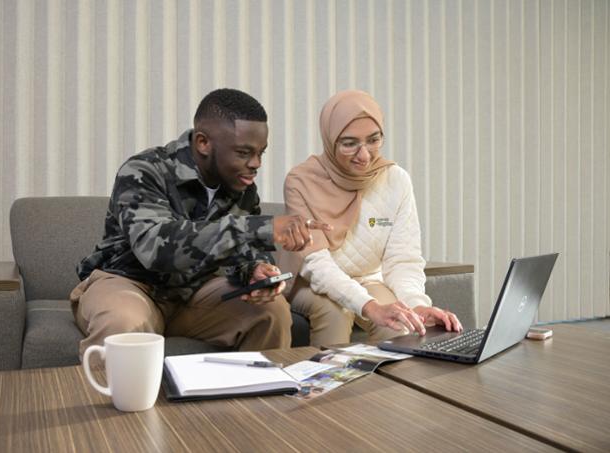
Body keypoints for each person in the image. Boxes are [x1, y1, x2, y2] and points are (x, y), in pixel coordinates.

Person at [71, 88, 330, 359]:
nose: (256, 164)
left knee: (271, 310)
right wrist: (260, 228)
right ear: (203, 142)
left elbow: (244, 256)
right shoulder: (145, 171)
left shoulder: (241, 188)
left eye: (260, 153)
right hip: (130, 283)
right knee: (122, 322)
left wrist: (256, 272)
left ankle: (254, 399)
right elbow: (156, 249)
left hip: (193, 294)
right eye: (244, 152)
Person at [279, 90, 462, 347]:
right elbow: (316, 264)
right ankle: (326, 386)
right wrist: (369, 306)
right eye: (349, 143)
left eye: (374, 140)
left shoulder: (396, 180)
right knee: (335, 313)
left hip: (367, 278)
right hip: (308, 281)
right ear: (330, 140)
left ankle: (395, 388)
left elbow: (403, 259)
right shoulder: (300, 181)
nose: (364, 156)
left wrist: (416, 305)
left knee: (401, 320)